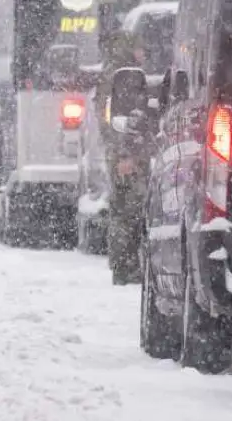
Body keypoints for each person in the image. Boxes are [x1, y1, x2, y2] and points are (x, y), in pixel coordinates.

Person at [97, 31, 148, 284]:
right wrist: (125, 154)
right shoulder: (125, 76)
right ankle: (125, 267)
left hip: (118, 153)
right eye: (140, 47)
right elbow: (120, 120)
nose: (144, 53)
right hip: (124, 154)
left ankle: (122, 266)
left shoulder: (112, 74)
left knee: (122, 209)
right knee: (129, 210)